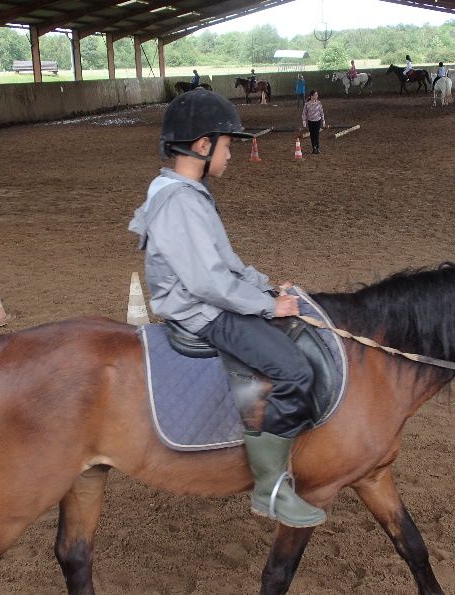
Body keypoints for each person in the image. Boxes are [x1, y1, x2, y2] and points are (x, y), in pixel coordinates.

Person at [128, 90, 326, 529]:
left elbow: (224, 262)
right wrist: (267, 307)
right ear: (202, 145)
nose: (231, 154)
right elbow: (208, 282)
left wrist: (265, 287)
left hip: (207, 298)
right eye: (228, 144)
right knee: (293, 370)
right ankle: (269, 488)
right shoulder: (180, 200)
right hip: (200, 311)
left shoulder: (187, 191)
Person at [302, 90, 326, 155]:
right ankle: (313, 148)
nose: (317, 96)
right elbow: (304, 113)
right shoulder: (307, 104)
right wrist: (304, 121)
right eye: (315, 95)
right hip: (310, 121)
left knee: (317, 134)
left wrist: (323, 121)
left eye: (317, 95)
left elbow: (321, 112)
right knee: (312, 135)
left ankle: (317, 148)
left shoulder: (319, 103)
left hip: (318, 121)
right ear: (312, 96)